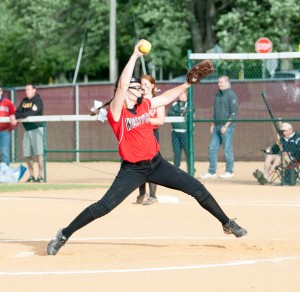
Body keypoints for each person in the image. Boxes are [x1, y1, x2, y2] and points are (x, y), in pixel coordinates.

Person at [47, 39, 247, 256]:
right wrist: (134, 55)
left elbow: (165, 98)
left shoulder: (144, 105)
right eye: (137, 87)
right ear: (125, 92)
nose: (141, 89)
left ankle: (227, 223)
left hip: (157, 163)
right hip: (133, 170)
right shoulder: (117, 112)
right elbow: (123, 86)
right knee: (104, 206)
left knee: (197, 188)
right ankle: (64, 234)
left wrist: (188, 84)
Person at [200, 76, 238, 179]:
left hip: (227, 128)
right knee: (212, 148)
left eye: (221, 82)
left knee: (227, 149)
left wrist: (226, 126)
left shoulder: (231, 95)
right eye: (218, 82)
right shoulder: (217, 95)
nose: (219, 84)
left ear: (226, 82)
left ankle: (229, 171)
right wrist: (212, 124)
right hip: (216, 126)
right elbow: (215, 112)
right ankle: (212, 172)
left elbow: (233, 113)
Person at [135, 74, 165, 205]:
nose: (144, 87)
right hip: (138, 134)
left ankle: (153, 196)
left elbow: (160, 120)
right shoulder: (137, 101)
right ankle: (142, 193)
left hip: (151, 133)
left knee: (152, 164)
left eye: (147, 85)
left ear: (152, 86)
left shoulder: (157, 101)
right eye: (142, 84)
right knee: (138, 163)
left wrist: (144, 120)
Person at [15, 84, 44, 183]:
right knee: (27, 154)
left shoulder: (37, 100)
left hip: (37, 129)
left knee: (39, 153)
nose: (26, 91)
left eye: (28, 89)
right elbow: (16, 113)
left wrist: (21, 115)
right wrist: (21, 115)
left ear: (34, 90)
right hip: (27, 130)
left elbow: (33, 113)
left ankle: (41, 176)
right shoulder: (24, 101)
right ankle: (31, 176)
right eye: (25, 89)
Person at [167, 90, 188, 168]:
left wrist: (177, 112)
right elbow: (169, 113)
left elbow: (187, 114)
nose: (180, 95)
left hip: (185, 132)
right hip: (175, 132)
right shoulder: (175, 104)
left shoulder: (189, 104)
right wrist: (180, 112)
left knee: (188, 152)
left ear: (186, 95)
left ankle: (191, 169)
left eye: (182, 94)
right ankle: (176, 169)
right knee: (177, 152)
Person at [0, 87, 18, 165]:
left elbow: (15, 115)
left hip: (4, 132)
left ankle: (6, 173)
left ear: (1, 92)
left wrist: (10, 128)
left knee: (5, 153)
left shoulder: (8, 103)